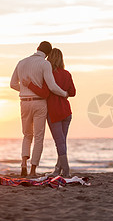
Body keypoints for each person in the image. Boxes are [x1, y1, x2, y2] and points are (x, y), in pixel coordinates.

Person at [10, 41, 69, 177]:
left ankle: (23, 164)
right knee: (38, 137)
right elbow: (52, 87)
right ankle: (33, 170)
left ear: (37, 48)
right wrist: (64, 94)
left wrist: (24, 89)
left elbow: (12, 84)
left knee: (26, 135)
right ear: (47, 54)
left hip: (24, 102)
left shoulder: (21, 62)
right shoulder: (45, 64)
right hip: (39, 103)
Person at [23, 48, 76, 178]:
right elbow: (73, 92)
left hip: (54, 112)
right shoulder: (67, 74)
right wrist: (65, 93)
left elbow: (45, 92)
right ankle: (58, 169)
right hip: (66, 111)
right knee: (62, 142)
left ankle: (66, 170)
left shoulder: (49, 74)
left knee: (60, 142)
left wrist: (29, 85)